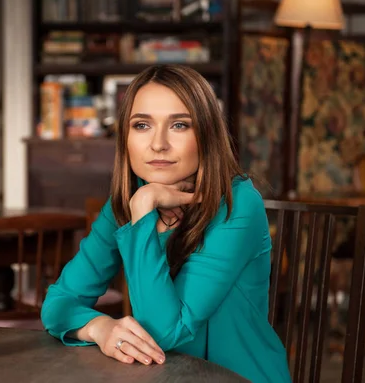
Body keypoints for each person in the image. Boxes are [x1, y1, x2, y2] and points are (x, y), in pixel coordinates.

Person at [40, 65, 291, 383]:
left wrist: (144, 211)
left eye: (179, 125)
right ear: (125, 137)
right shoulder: (124, 203)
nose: (158, 144)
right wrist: (99, 327)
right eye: (142, 125)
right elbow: (58, 303)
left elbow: (167, 331)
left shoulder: (239, 204)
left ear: (206, 135)